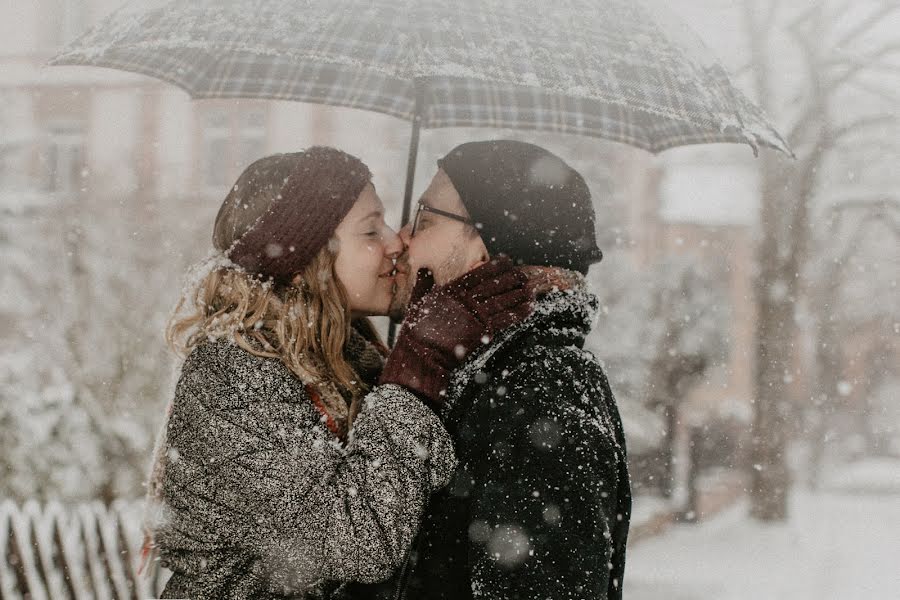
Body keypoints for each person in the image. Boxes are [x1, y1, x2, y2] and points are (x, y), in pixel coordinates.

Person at [139, 147, 532, 599]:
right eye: (371, 230)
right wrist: (419, 363)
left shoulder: (351, 357)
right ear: (306, 260)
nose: (395, 241)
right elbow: (359, 541)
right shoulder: (231, 374)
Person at [380, 140, 632, 600]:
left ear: (486, 250)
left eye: (426, 219)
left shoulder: (541, 393)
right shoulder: (492, 374)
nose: (402, 238)